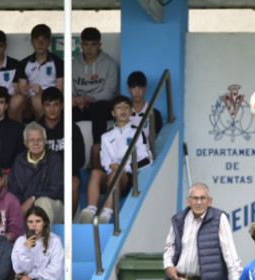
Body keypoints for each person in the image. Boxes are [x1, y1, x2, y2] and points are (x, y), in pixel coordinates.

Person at [162, 182, 243, 280]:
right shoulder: (179, 219)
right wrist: (168, 265)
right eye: (195, 198)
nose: (199, 202)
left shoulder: (219, 218)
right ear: (188, 201)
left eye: (202, 198)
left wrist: (236, 279)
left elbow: (229, 251)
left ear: (210, 201)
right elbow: (170, 246)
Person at [79, 96, 149, 224]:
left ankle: (106, 214)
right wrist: (111, 166)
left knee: (115, 174)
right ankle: (90, 211)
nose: (122, 110)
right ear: (113, 113)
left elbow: (146, 159)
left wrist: (124, 167)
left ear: (131, 112)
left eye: (126, 107)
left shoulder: (138, 133)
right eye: (119, 107)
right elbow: (105, 160)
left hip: (127, 178)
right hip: (110, 176)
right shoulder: (106, 136)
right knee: (95, 172)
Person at [40, 87, 84, 216]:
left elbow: (79, 159)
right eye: (48, 105)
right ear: (42, 106)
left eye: (56, 104)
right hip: (43, 174)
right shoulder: (37, 129)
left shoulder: (72, 128)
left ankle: (67, 224)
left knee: (74, 183)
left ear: (62, 105)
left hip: (68, 173)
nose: (52, 109)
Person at [8, 122, 64, 222]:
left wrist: (33, 198)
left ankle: (43, 237)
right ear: (25, 143)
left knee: (43, 202)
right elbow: (13, 191)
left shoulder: (55, 159)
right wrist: (23, 205)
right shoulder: (19, 161)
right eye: (31, 140)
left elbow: (56, 189)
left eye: (39, 139)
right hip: (27, 208)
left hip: (54, 207)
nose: (36, 143)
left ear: (46, 140)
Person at [73, 27, 118, 146]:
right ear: (81, 45)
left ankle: (98, 149)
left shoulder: (110, 64)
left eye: (93, 44)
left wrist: (89, 98)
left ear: (100, 45)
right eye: (86, 44)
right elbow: (70, 90)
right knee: (63, 110)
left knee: (99, 109)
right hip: (80, 104)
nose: (89, 48)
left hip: (100, 105)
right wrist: (75, 99)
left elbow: (109, 93)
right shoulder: (73, 64)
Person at [13, 24, 64, 121]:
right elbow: (21, 89)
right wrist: (23, 91)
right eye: (37, 40)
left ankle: (42, 133)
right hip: (28, 104)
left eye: (44, 40)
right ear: (32, 42)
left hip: (50, 101)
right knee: (16, 99)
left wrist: (42, 92)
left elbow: (59, 91)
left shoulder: (58, 62)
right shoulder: (24, 63)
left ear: (49, 42)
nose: (40, 44)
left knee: (37, 99)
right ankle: (14, 134)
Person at [11, 206, 64, 280]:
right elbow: (19, 270)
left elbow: (54, 273)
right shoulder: (20, 241)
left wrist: (32, 275)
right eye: (30, 222)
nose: (34, 225)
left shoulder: (55, 241)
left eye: (38, 221)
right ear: (26, 223)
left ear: (44, 222)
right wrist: (25, 250)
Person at [127, 70, 163, 152]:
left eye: (140, 87)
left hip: (146, 154)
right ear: (129, 89)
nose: (137, 91)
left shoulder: (155, 114)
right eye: (133, 87)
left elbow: (154, 139)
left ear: (145, 89)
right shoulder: (123, 113)